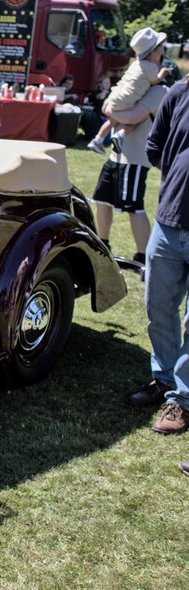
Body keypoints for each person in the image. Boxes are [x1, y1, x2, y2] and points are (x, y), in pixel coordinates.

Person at [134, 75, 189, 444]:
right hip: (168, 224)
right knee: (158, 307)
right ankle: (164, 379)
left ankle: (182, 400)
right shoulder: (179, 91)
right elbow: (156, 148)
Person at [91, 84, 167, 271]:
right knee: (101, 201)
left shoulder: (159, 90)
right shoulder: (132, 86)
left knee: (133, 207)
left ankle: (143, 256)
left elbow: (131, 117)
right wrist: (114, 110)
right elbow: (106, 106)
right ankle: (103, 245)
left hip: (135, 158)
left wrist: (114, 112)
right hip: (115, 156)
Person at [88, 27, 170, 155]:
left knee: (112, 120)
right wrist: (162, 74)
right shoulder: (151, 67)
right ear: (154, 51)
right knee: (135, 121)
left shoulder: (135, 64)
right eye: (161, 46)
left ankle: (97, 139)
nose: (163, 48)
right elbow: (154, 81)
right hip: (128, 100)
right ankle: (121, 135)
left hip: (116, 96)